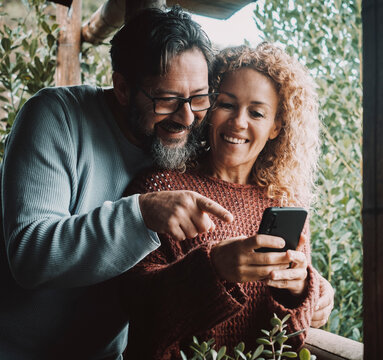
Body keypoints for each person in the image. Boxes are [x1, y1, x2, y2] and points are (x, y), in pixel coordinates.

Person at [0, 6, 332, 359]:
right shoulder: (57, 118)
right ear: (123, 87)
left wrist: (308, 288)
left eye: (200, 98)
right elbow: (30, 257)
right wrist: (141, 214)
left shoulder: (175, 141)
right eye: (168, 99)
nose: (187, 117)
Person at [118, 43, 322, 360]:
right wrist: (213, 269)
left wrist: (298, 291)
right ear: (208, 109)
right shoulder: (160, 187)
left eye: (256, 112)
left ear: (276, 127)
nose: (239, 122)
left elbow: (290, 340)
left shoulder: (282, 202)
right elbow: (135, 310)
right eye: (226, 105)